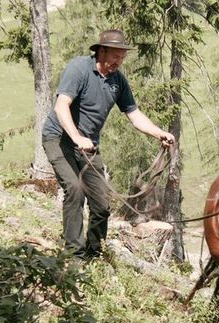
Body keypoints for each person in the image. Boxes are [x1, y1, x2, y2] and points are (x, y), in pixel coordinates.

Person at [42, 29, 175, 260]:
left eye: (122, 57)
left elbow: (134, 115)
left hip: (88, 147)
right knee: (74, 190)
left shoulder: (118, 81)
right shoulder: (79, 69)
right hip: (59, 138)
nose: (119, 62)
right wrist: (76, 137)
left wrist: (159, 133)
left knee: (102, 205)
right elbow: (61, 106)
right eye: (115, 56)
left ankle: (95, 255)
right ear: (101, 51)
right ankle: (74, 256)